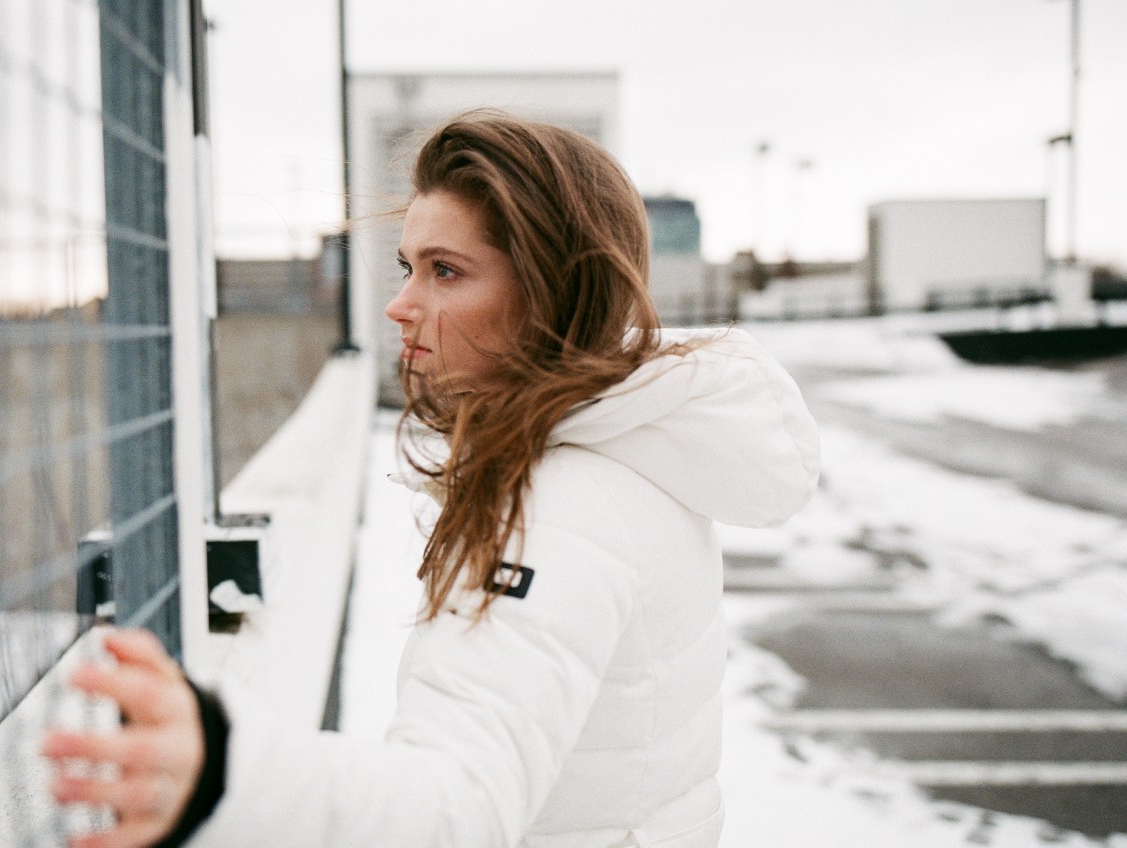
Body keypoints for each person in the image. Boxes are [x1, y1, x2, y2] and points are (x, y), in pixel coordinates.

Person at [44, 111, 820, 848]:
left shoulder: (562, 501)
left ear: (550, 290)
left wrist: (221, 769)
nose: (399, 305)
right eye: (408, 266)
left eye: (446, 272)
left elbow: (460, 809)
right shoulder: (627, 446)